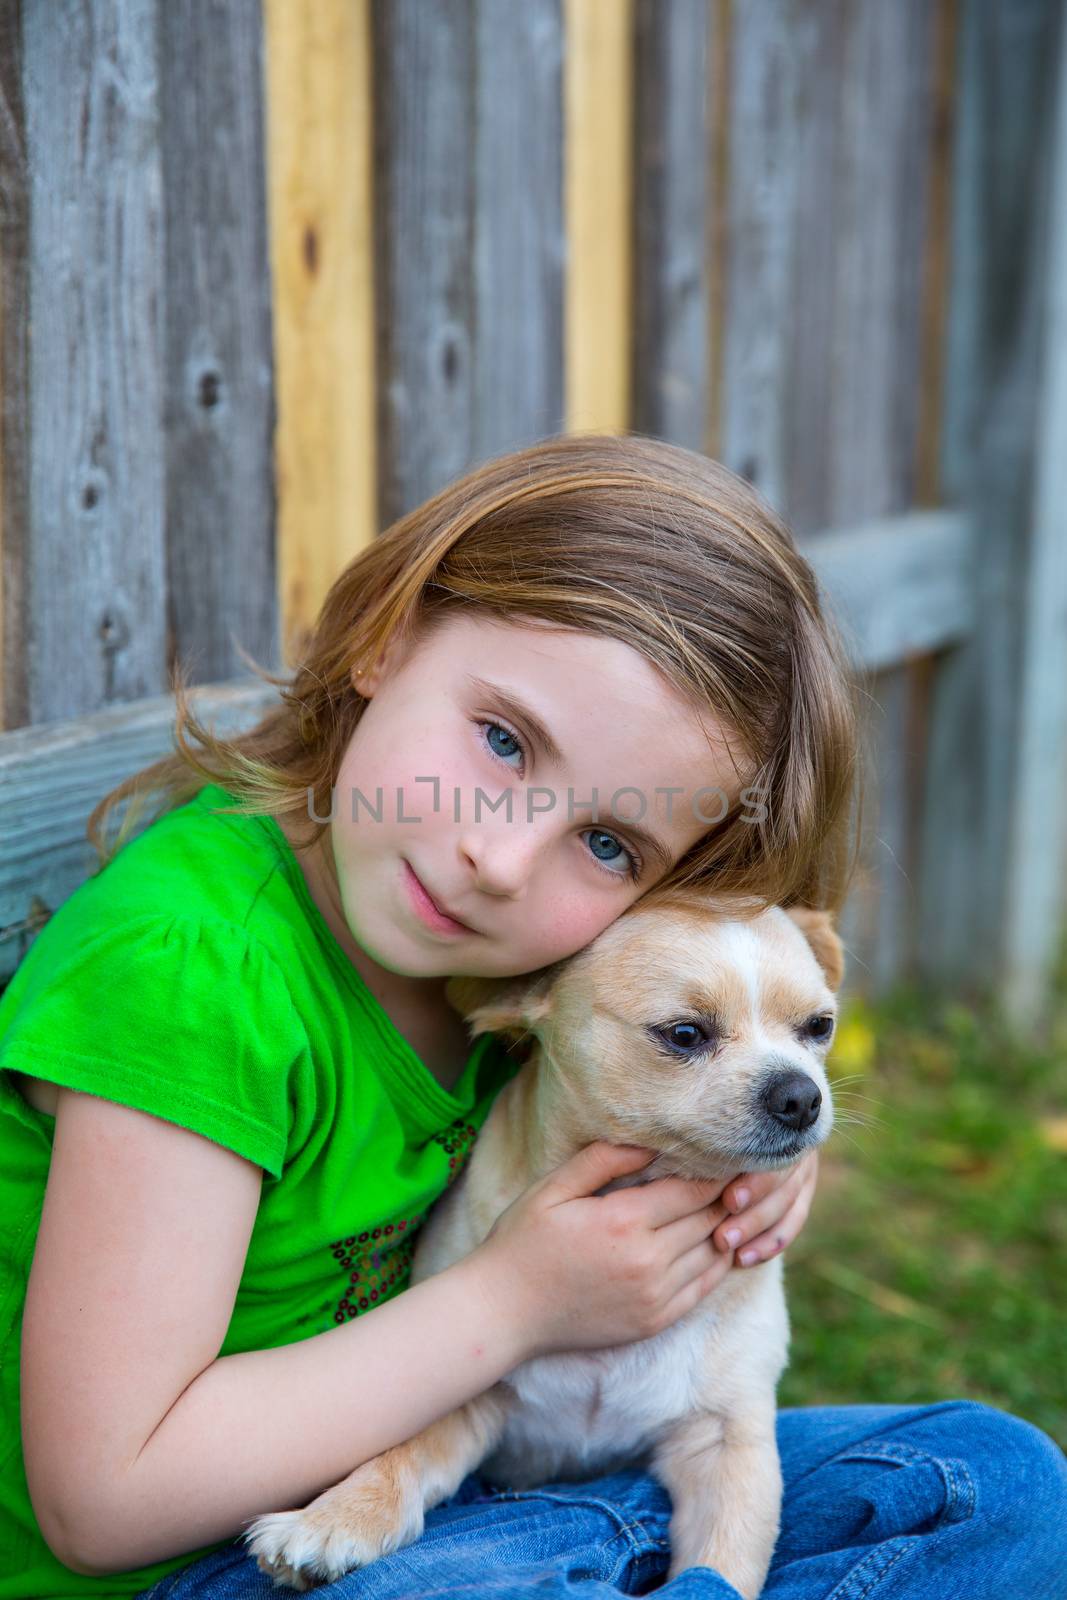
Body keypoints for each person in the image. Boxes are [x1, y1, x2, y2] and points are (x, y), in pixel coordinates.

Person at [0, 434, 1062, 1599]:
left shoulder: (546, 961)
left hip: (491, 1494)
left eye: (607, 841)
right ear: (381, 638)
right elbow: (99, 1501)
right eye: (501, 740)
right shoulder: (195, 970)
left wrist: (752, 1138)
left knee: (991, 1482)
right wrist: (514, 1299)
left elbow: (697, 1024)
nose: (497, 860)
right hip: (213, 1558)